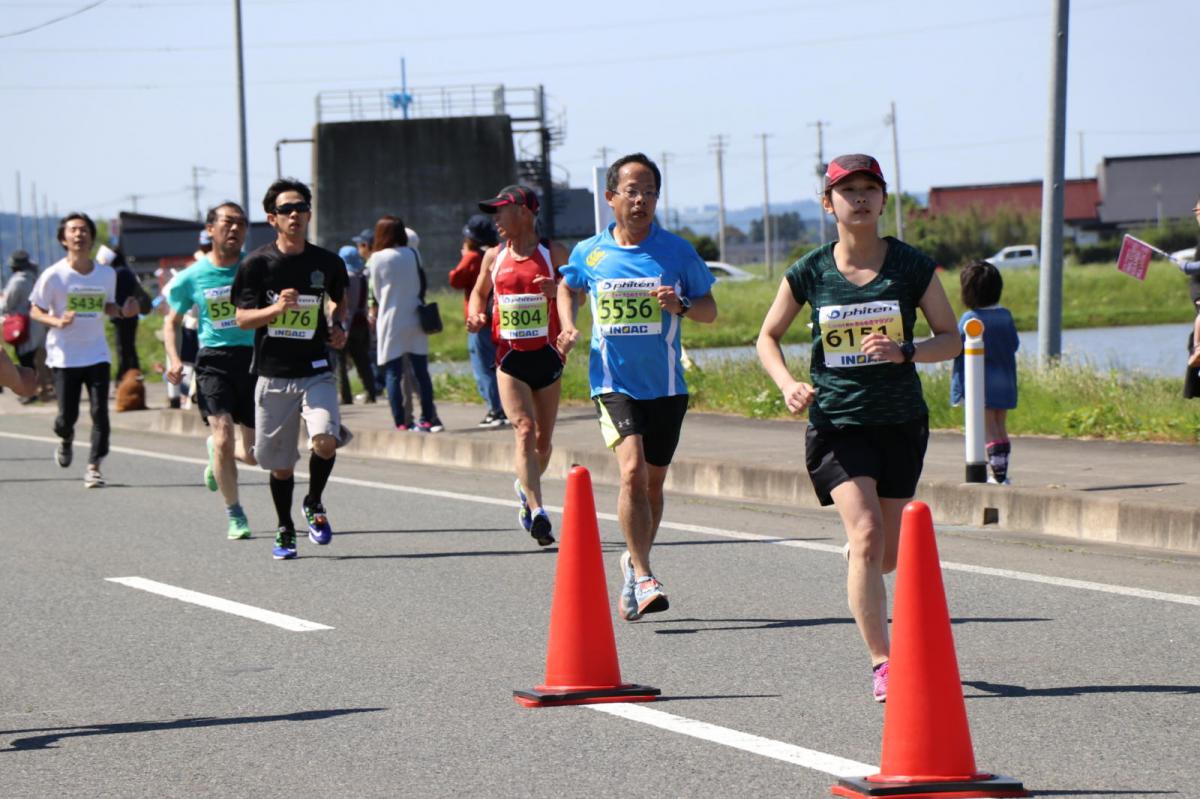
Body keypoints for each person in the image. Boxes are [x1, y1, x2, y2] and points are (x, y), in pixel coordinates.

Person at [755, 154, 961, 702]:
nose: (861, 198)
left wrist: (907, 351)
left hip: (900, 422)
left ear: (884, 200)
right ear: (829, 204)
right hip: (837, 424)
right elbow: (767, 337)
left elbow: (952, 336)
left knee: (883, 556)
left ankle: (858, 561)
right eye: (849, 191)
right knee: (867, 532)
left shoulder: (912, 266)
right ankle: (884, 662)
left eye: (871, 189)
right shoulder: (810, 270)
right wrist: (786, 384)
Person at [557, 153, 718, 620]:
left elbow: (710, 310)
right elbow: (568, 287)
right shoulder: (591, 252)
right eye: (632, 190)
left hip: (666, 385)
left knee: (652, 483)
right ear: (611, 198)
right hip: (613, 383)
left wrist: (681, 304)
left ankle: (632, 560)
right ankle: (645, 574)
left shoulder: (676, 251)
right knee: (631, 471)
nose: (641, 199)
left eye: (649, 191)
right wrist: (567, 325)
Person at [233, 178, 351, 560]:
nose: (296, 214)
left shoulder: (327, 262)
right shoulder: (256, 264)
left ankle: (314, 502)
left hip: (315, 368)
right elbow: (242, 319)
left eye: (301, 207)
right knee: (280, 465)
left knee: (325, 441)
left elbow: (339, 301)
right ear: (272, 218)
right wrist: (275, 311)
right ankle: (285, 528)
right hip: (272, 374)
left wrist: (338, 327)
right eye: (287, 209)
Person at [469, 186, 568, 547]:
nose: (495, 220)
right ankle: (538, 509)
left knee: (543, 443)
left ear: (525, 212)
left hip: (548, 356)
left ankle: (524, 485)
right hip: (509, 358)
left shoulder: (553, 252)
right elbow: (480, 292)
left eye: (501, 211)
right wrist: (476, 314)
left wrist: (557, 292)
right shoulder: (493, 257)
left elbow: (580, 296)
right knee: (524, 429)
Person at [165, 201, 258, 540]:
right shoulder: (192, 276)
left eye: (241, 223)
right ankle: (235, 514)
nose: (234, 229)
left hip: (252, 360)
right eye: (228, 222)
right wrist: (174, 359)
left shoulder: (254, 267)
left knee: (252, 454)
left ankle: (215, 451)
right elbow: (171, 322)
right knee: (223, 436)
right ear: (210, 229)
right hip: (213, 361)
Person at [29, 212, 140, 487]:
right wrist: (56, 321)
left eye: (84, 230)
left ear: (91, 237)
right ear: (63, 238)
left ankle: (94, 466)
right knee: (67, 417)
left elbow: (108, 306)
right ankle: (65, 437)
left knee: (100, 412)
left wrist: (123, 311)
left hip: (97, 353)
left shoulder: (105, 274)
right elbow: (35, 310)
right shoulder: (53, 275)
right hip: (64, 356)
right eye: (73, 230)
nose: (79, 234)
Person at [366, 215, 443, 433]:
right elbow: (421, 284)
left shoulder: (377, 258)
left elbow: (378, 293)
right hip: (416, 317)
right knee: (421, 371)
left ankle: (401, 422)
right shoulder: (413, 253)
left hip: (391, 319)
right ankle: (427, 418)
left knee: (393, 373)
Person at [950, 260, 1019, 484]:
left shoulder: (970, 319)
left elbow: (954, 346)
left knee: (988, 429)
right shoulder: (1006, 315)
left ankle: (998, 476)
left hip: (981, 383)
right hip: (1006, 380)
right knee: (1000, 426)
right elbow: (1014, 344)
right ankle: (1002, 474)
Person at [449, 213, 505, 427]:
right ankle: (502, 407)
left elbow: (455, 279)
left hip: (479, 320)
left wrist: (465, 255)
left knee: (483, 366)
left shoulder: (474, 257)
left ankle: (495, 409)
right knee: (495, 364)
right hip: (494, 317)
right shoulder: (495, 253)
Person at [2, 250, 48, 405]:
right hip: (37, 323)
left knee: (24, 359)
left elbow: (8, 304)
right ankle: (39, 390)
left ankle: (28, 392)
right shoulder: (35, 278)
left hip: (21, 325)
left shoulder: (17, 281)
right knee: (35, 359)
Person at [333, 245, 377, 405]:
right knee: (362, 361)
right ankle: (371, 393)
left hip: (347, 323)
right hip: (362, 323)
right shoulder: (363, 276)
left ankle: (345, 396)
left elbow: (341, 302)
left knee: (340, 362)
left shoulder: (346, 277)